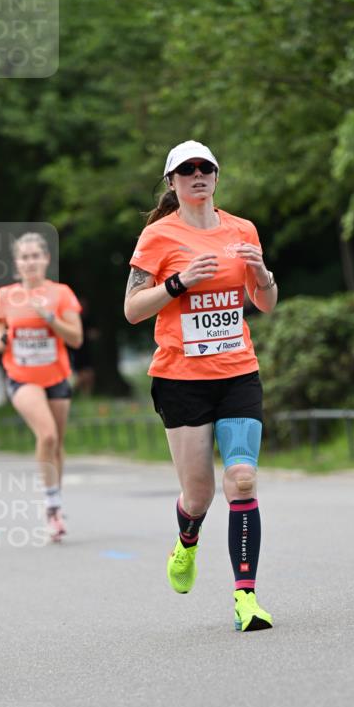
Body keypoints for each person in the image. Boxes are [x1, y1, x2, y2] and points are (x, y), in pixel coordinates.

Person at [124, 140, 278, 632]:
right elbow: (131, 310)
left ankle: (246, 599)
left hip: (237, 371)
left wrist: (263, 276)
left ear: (216, 175)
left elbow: (265, 302)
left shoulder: (242, 230)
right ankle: (186, 542)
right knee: (199, 496)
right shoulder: (158, 236)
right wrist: (179, 282)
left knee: (243, 481)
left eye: (205, 168)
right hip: (181, 379)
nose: (197, 175)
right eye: (186, 170)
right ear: (172, 182)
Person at [0, 232, 83, 539]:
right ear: (16, 263)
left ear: (45, 259)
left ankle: (55, 501)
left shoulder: (61, 293)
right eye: (24, 257)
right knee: (47, 435)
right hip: (20, 376)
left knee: (57, 444)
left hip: (56, 377)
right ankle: (51, 505)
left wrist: (51, 319)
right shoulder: (5, 295)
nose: (29, 261)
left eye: (35, 256)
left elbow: (76, 338)